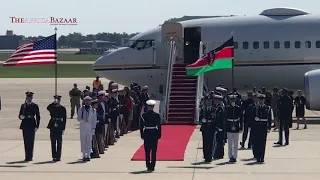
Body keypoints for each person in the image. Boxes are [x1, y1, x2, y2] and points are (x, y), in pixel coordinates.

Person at [140, 99, 162, 172]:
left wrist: (142, 135)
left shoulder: (143, 115)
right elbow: (159, 126)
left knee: (147, 151)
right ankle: (152, 166)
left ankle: (148, 165)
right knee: (154, 151)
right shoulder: (157, 115)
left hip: (147, 133)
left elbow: (141, 126)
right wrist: (159, 134)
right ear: (153, 106)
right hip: (154, 133)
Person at [18, 92, 40, 161]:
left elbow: (38, 116)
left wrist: (37, 126)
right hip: (25, 124)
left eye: (30, 97)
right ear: (26, 98)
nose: (29, 99)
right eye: (28, 97)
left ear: (32, 98)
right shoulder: (23, 105)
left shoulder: (35, 106)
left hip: (32, 124)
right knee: (26, 141)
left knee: (31, 141)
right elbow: (20, 115)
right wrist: (21, 117)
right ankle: (27, 156)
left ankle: (30, 156)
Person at [251, 93, 271, 163]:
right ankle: (257, 156)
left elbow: (269, 118)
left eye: (262, 99)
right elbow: (252, 118)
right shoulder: (255, 108)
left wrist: (269, 127)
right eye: (260, 99)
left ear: (264, 100)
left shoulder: (267, 108)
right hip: (257, 127)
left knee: (263, 143)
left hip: (263, 127)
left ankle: (262, 157)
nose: (261, 101)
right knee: (257, 142)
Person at [46, 95, 67, 161]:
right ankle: (54, 155)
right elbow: (48, 108)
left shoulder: (62, 108)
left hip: (59, 125)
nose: (57, 101)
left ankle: (58, 156)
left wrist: (63, 128)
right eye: (56, 99)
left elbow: (64, 119)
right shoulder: (52, 107)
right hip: (52, 124)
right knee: (53, 141)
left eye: (58, 100)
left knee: (59, 142)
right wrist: (53, 103)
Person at [77, 96, 97, 161]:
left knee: (89, 141)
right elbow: (78, 118)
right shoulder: (81, 109)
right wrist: (83, 120)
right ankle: (84, 155)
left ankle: (88, 155)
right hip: (83, 126)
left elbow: (94, 120)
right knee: (83, 141)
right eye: (86, 100)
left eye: (89, 100)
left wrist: (93, 128)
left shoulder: (93, 110)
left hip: (90, 127)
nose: (87, 102)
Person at [225, 94, 243, 162]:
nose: (232, 101)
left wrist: (241, 127)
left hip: (236, 126)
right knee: (230, 144)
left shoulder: (238, 108)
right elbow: (225, 118)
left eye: (233, 99)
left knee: (235, 143)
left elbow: (241, 118)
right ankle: (230, 156)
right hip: (229, 126)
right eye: (231, 99)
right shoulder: (228, 108)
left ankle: (235, 156)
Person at [199, 95, 215, 162]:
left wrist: (210, 121)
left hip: (211, 128)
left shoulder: (214, 110)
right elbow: (200, 118)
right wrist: (202, 120)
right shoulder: (203, 109)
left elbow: (215, 119)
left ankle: (210, 156)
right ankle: (206, 156)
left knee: (211, 143)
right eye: (207, 101)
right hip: (205, 128)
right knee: (205, 143)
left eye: (210, 101)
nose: (208, 102)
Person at [212, 93, 225, 159]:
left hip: (220, 127)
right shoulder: (215, 107)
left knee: (220, 141)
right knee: (217, 141)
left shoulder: (221, 108)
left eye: (217, 100)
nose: (215, 101)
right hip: (216, 127)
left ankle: (220, 154)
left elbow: (222, 119)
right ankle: (217, 153)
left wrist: (220, 127)